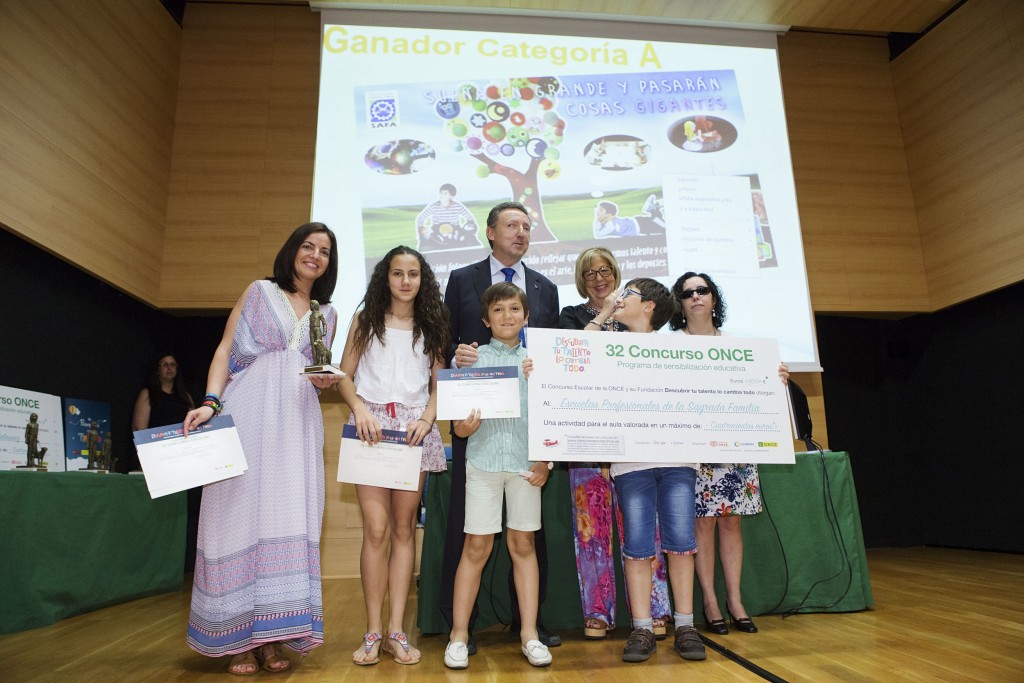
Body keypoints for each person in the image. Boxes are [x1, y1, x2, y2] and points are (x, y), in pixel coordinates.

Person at [182, 222, 341, 675]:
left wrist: (325, 379)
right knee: (236, 516)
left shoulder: (325, 312)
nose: (315, 255)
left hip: (298, 424)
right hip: (249, 411)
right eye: (308, 246)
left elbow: (317, 369)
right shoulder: (259, 291)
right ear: (292, 251)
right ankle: (238, 642)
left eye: (325, 251)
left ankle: (272, 639)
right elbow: (226, 348)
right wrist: (212, 402)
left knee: (288, 515)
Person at [441, 201, 561, 651]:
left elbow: (552, 413)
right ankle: (458, 635)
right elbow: (461, 425)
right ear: (485, 319)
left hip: (528, 465)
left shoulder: (538, 365)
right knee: (475, 548)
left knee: (524, 546)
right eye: (499, 312)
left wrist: (546, 457)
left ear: (527, 318)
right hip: (485, 465)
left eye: (516, 312)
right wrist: (466, 427)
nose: (508, 317)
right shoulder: (471, 361)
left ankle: (529, 634)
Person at [337, 246, 450, 666]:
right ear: (386, 277)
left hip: (412, 434)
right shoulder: (365, 321)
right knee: (377, 529)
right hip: (369, 430)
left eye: (414, 274)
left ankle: (396, 631)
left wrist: (427, 418)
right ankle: (372, 630)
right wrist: (359, 408)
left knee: (404, 529)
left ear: (423, 280)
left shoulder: (432, 325)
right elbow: (343, 376)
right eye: (398, 273)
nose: (406, 281)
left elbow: (440, 385)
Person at [558, 248, 672, 641]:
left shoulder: (634, 317)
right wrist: (605, 312)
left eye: (605, 270)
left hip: (637, 444)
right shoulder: (571, 317)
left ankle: (658, 608)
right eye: (589, 272)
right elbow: (570, 363)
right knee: (590, 531)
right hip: (587, 443)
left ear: (616, 273)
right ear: (580, 278)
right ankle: (597, 612)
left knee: (645, 528)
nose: (598, 278)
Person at [669, 271, 788, 636]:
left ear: (714, 298)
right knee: (702, 522)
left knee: (731, 520)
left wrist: (775, 379)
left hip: (736, 444)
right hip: (693, 447)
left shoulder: (740, 345)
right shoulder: (670, 345)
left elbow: (757, 386)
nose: (696, 298)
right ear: (680, 303)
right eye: (688, 293)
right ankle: (710, 601)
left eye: (702, 291)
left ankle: (735, 599)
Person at [605, 278, 707, 664]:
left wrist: (770, 378)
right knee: (637, 547)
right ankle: (642, 627)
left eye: (626, 295)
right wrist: (604, 313)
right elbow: (574, 355)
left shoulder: (681, 347)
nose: (618, 300)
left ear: (648, 306)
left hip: (679, 461)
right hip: (631, 464)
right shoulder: (606, 347)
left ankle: (685, 624)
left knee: (681, 543)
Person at [132, 354, 195, 432]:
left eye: (172, 364)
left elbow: (193, 424)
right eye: (165, 364)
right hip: (157, 442)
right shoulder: (147, 394)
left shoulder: (185, 396)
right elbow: (139, 429)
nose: (169, 368)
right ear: (157, 370)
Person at [416, 183, 481, 252]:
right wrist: (422, 228)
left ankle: (469, 248)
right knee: (426, 236)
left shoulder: (457, 206)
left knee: (470, 231)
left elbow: (469, 217)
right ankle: (430, 248)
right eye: (441, 193)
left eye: (445, 193)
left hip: (454, 229)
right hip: (437, 230)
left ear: (451, 196)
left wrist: (468, 226)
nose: (442, 195)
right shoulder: (433, 206)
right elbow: (420, 218)